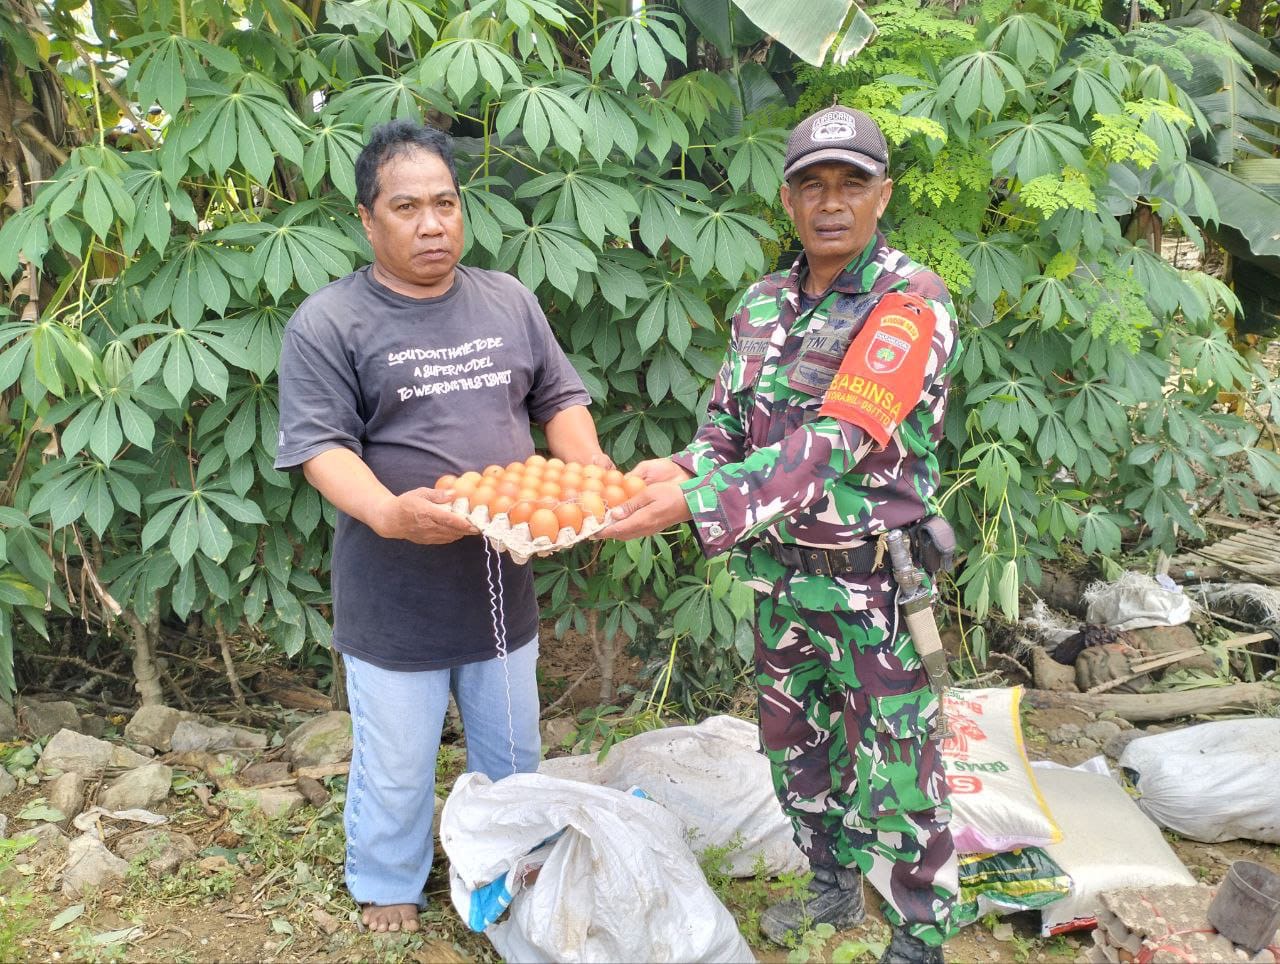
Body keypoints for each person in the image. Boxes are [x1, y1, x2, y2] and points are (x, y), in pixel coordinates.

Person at [602, 106, 959, 964]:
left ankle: (919, 937)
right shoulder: (763, 303)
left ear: (883, 195)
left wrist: (700, 504)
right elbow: (727, 427)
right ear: (788, 199)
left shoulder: (910, 301)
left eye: (851, 184)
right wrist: (680, 469)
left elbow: (836, 441)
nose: (830, 203)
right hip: (781, 577)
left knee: (899, 766)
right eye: (811, 185)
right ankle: (832, 889)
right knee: (797, 749)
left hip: (874, 580)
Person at [274, 120, 606, 934]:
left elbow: (558, 400)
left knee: (513, 753)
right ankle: (388, 878)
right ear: (366, 219)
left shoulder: (507, 298)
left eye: (446, 204)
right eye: (407, 207)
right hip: (395, 591)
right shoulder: (330, 321)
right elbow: (321, 446)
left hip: (502, 581)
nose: (432, 224)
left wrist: (588, 475)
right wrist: (390, 511)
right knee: (396, 762)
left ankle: (511, 864)